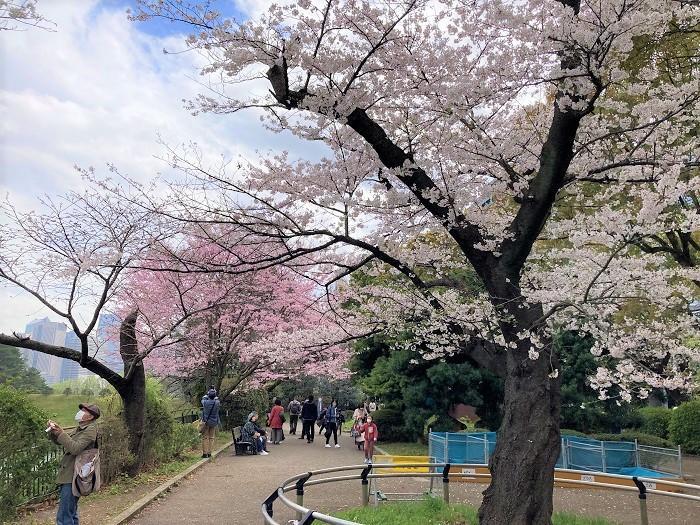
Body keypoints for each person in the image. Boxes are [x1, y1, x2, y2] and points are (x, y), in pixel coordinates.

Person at [47, 403, 100, 525]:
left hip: (74, 475)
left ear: (91, 417)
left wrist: (61, 433)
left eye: (84, 410)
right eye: (81, 409)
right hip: (68, 474)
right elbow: (63, 441)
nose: (80, 412)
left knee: (64, 516)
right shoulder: (80, 428)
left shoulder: (91, 429)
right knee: (71, 512)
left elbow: (75, 448)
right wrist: (55, 431)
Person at [200, 388, 221, 458]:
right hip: (214, 422)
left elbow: (203, 398)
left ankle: (205, 453)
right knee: (211, 437)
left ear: (209, 395)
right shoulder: (217, 402)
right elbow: (217, 399)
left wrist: (207, 394)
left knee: (205, 437)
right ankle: (209, 453)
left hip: (206, 422)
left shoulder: (205, 402)